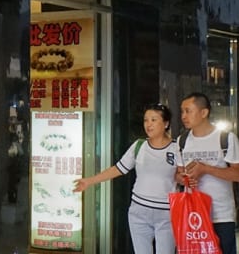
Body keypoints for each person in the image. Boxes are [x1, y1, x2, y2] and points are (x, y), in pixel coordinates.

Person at [73, 104, 179, 254]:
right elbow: (118, 169)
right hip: (139, 211)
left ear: (166, 123)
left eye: (154, 120)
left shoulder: (176, 148)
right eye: (146, 120)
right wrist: (90, 181)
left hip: (167, 213)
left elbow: (183, 175)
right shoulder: (139, 146)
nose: (148, 124)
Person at [176, 92, 239, 254]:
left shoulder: (225, 138)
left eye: (188, 111)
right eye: (182, 111)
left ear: (204, 112)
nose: (183, 116)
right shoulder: (182, 140)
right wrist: (185, 179)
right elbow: (178, 174)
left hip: (221, 215)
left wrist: (206, 169)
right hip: (193, 215)